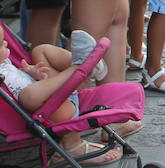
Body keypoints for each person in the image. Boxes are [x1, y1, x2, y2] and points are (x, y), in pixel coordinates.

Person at [0, 28, 124, 165]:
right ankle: (80, 67)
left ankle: (87, 67)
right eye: (1, 44)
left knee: (40, 50)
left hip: (58, 94)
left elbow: (14, 81)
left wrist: (30, 73)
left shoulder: (4, 62)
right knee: (29, 96)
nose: (6, 43)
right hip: (53, 113)